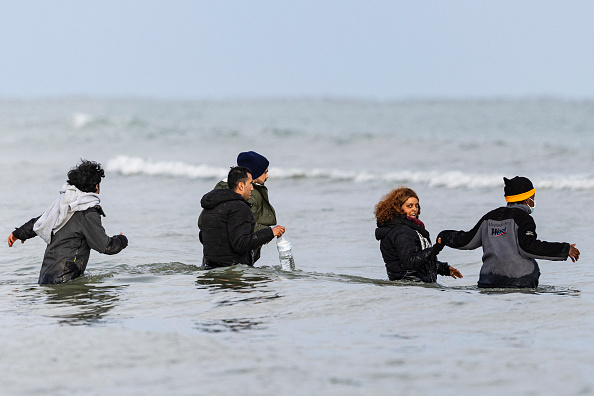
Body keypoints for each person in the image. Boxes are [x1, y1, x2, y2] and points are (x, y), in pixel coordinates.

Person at [438, 176, 580, 288]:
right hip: (519, 282)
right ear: (526, 199)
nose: (533, 202)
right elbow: (528, 247)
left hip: (488, 281)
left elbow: (466, 241)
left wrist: (444, 236)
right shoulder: (524, 219)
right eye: (533, 197)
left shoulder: (489, 217)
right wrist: (564, 249)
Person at [7, 160, 128, 284]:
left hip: (45, 278)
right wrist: (122, 240)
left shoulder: (62, 204)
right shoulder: (87, 213)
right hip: (65, 280)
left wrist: (17, 234)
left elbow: (38, 222)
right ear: (96, 186)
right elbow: (105, 246)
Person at [199, 166, 285, 269]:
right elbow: (241, 244)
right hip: (232, 275)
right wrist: (270, 233)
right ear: (241, 186)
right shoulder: (240, 208)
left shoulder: (210, 206)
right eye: (250, 184)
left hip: (209, 270)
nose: (252, 188)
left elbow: (203, 236)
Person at [374, 186, 463, 283]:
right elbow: (410, 262)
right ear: (398, 208)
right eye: (409, 206)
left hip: (413, 287)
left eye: (416, 205)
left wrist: (444, 269)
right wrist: (435, 249)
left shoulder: (410, 228)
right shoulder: (401, 231)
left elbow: (419, 263)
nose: (414, 209)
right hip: (410, 288)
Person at [211, 151, 277, 262]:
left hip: (215, 255)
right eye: (265, 172)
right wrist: (267, 233)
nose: (267, 176)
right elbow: (244, 224)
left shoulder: (220, 189)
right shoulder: (250, 195)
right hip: (237, 257)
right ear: (254, 173)